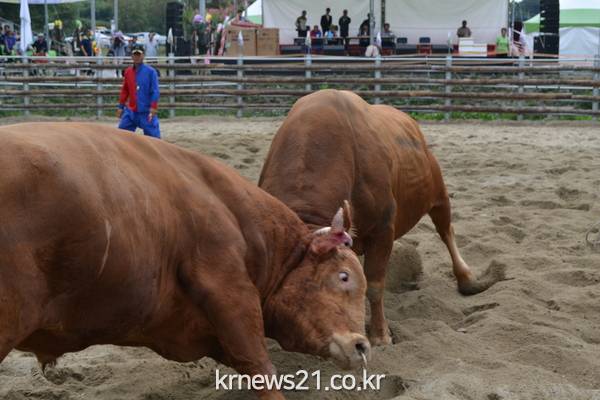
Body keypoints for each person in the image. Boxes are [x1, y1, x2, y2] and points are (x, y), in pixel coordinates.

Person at [117, 43, 161, 139]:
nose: (137, 57)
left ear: (143, 55)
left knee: (154, 139)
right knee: (121, 135)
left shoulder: (151, 72)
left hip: (146, 111)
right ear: (132, 56)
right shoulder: (128, 72)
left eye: (139, 54)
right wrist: (121, 106)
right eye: (135, 54)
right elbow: (125, 90)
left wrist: (153, 107)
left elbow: (155, 91)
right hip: (131, 112)